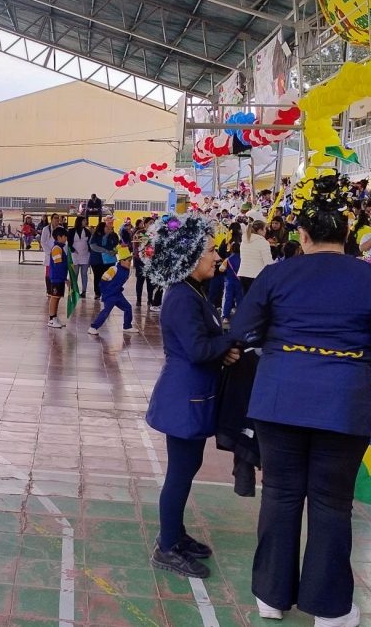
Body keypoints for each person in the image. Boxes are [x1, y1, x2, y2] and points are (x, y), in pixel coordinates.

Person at [231, 187, 371, 626]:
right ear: (348, 234)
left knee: (280, 493)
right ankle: (329, 610)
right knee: (333, 503)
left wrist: (286, 342)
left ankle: (271, 598)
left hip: (280, 398)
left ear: (303, 234)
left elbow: (242, 329)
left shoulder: (277, 275)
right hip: (345, 400)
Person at [141, 215, 238, 579]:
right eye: (211, 251)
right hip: (183, 398)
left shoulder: (193, 292)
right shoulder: (182, 296)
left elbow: (204, 342)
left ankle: (175, 534)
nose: (218, 257)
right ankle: (167, 548)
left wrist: (221, 347)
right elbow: (198, 349)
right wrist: (232, 339)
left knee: (187, 468)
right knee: (180, 474)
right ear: (188, 257)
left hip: (195, 394)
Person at [88, 247, 137, 335]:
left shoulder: (127, 271)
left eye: (130, 261)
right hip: (109, 295)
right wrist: (106, 292)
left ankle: (127, 326)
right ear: (121, 261)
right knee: (106, 311)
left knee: (128, 308)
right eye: (128, 260)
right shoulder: (113, 269)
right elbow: (102, 282)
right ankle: (93, 327)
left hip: (118, 294)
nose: (130, 263)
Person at [238, 220, 273, 294]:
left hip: (243, 274)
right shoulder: (263, 243)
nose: (266, 231)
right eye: (265, 229)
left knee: (247, 301)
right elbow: (268, 263)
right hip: (257, 275)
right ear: (260, 230)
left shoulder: (244, 241)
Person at [46, 227, 69, 328]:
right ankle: (51, 319)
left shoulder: (60, 248)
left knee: (58, 297)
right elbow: (58, 265)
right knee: (54, 297)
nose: (66, 238)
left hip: (59, 277)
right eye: (64, 236)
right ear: (59, 237)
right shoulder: (56, 249)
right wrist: (64, 278)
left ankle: (54, 317)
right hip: (56, 277)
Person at [69, 216, 92, 297]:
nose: (85, 222)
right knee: (75, 273)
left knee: (84, 273)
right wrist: (72, 249)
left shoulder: (87, 231)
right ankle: (74, 290)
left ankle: (84, 291)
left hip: (85, 255)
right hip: (75, 254)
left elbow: (90, 242)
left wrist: (89, 249)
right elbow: (68, 242)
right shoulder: (71, 231)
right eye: (84, 220)